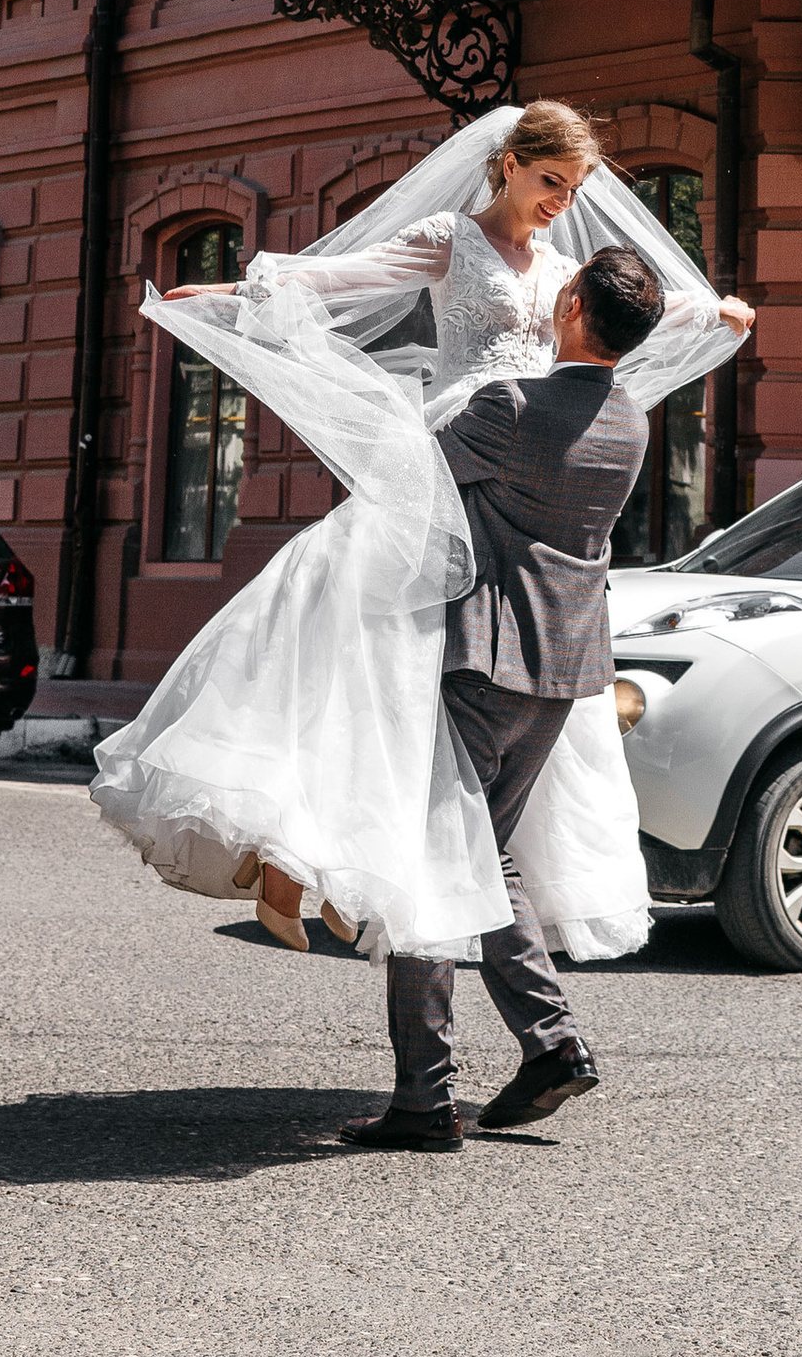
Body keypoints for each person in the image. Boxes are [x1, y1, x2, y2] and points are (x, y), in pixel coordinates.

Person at [89, 99, 747, 969]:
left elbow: (632, 317)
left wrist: (716, 314)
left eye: (575, 188)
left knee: (440, 696)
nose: (562, 201)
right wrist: (232, 294)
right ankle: (294, 861)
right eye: (551, 181)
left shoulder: (563, 270)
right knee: (363, 658)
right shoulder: (452, 240)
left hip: (516, 479)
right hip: (446, 460)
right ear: (509, 163)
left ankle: (353, 873)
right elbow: (343, 278)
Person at [342, 238, 662, 1150]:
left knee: (436, 865)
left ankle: (423, 1100)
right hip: (564, 672)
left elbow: (408, 476)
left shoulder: (509, 406)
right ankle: (550, 1045)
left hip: (485, 661)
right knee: (490, 859)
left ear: (570, 311)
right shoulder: (633, 421)